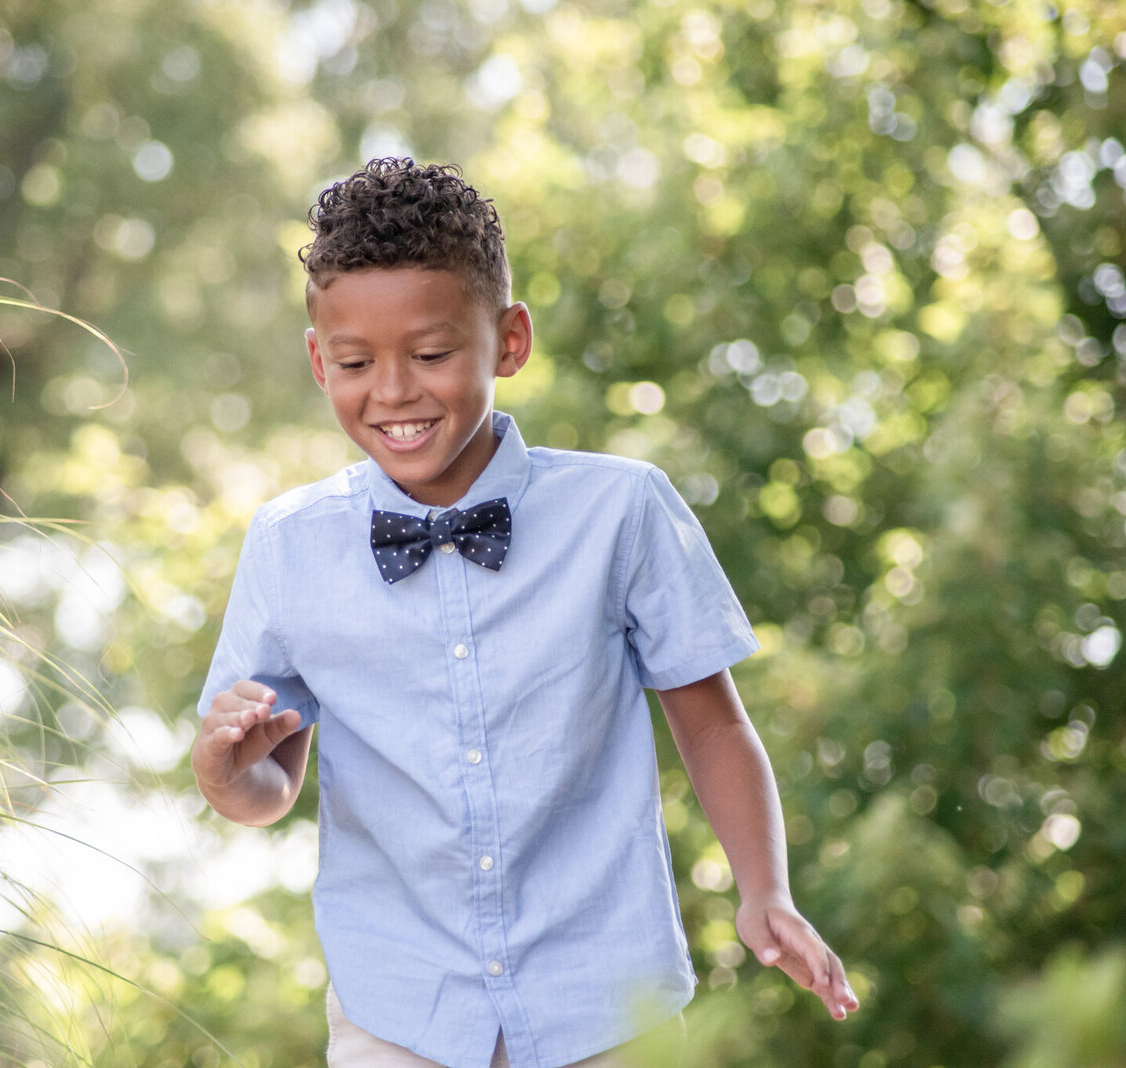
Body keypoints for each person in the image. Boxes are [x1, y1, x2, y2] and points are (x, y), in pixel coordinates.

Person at [192, 158, 858, 1068]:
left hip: (608, 1004)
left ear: (509, 340)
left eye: (430, 355)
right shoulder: (289, 545)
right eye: (355, 363)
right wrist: (229, 780)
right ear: (319, 361)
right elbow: (273, 783)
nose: (392, 390)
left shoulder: (621, 513)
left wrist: (764, 889)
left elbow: (712, 728)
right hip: (398, 1014)